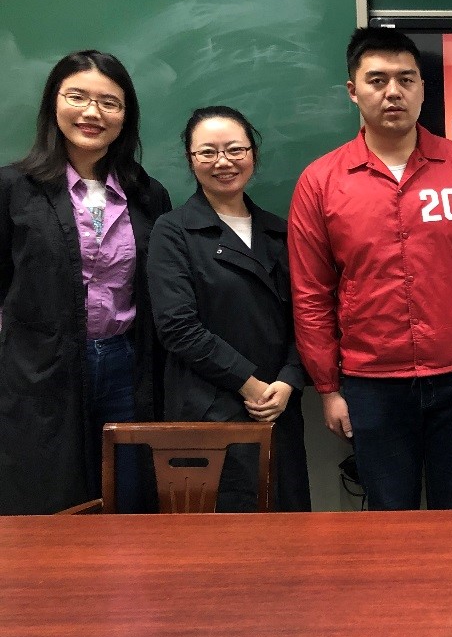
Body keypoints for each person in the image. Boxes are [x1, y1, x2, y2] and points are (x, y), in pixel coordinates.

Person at [289, 27, 452, 510]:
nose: (392, 92)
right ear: (353, 91)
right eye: (377, 80)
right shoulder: (321, 181)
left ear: (422, 88)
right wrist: (328, 388)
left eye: (405, 79)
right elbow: (311, 294)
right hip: (372, 382)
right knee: (389, 517)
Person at [0, 50, 171, 515]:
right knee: (50, 499)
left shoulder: (148, 194)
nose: (92, 113)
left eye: (109, 102)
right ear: (53, 103)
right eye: (77, 97)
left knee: (128, 495)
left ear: (125, 116)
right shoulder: (13, 188)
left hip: (125, 363)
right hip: (39, 368)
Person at [148, 107, 311, 512]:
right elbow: (177, 327)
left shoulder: (280, 231)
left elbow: (307, 315)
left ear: (253, 154)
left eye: (235, 149)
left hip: (279, 406)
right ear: (191, 160)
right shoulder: (173, 231)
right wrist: (250, 385)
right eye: (208, 152)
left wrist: (289, 380)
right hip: (208, 409)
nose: (223, 162)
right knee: (221, 537)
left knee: (287, 528)